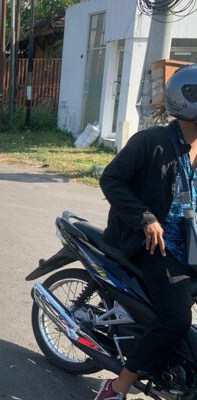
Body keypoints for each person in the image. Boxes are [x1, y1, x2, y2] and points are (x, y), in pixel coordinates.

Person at [95, 64, 197, 399]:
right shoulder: (151, 142)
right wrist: (146, 218)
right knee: (175, 318)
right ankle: (118, 385)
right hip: (154, 246)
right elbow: (111, 179)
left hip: (192, 246)